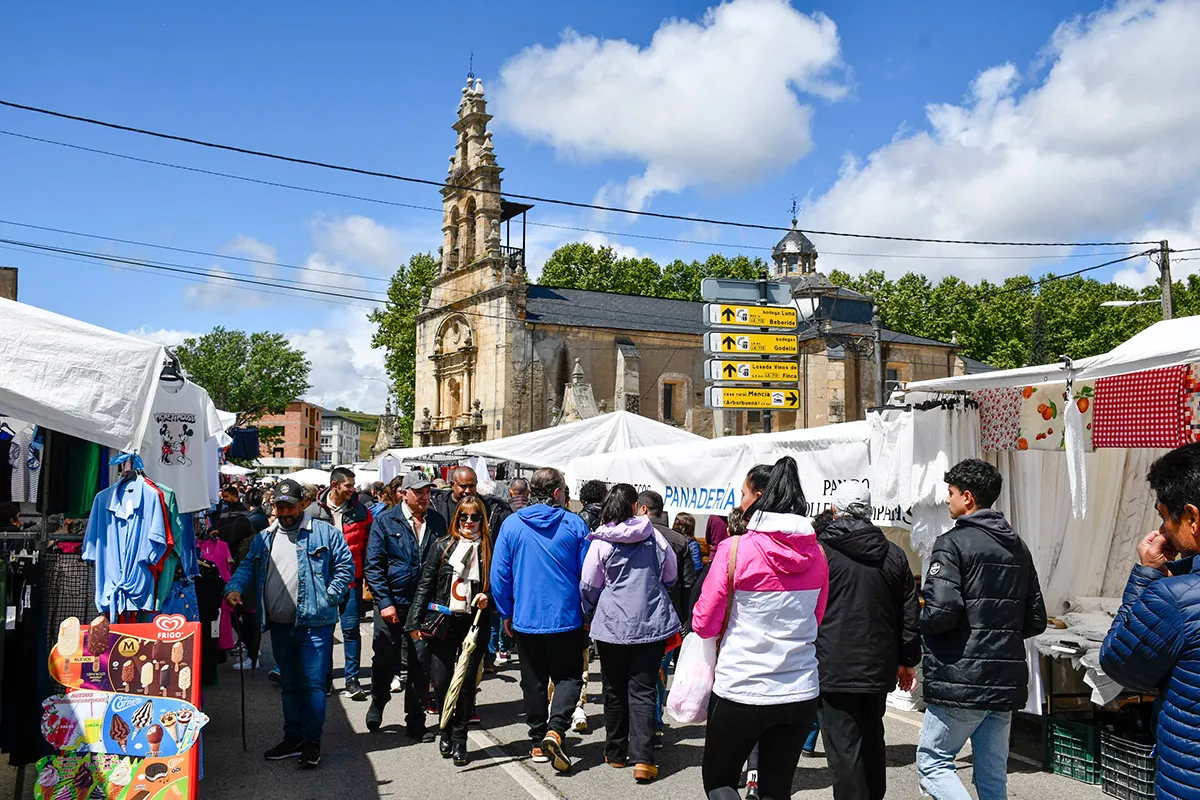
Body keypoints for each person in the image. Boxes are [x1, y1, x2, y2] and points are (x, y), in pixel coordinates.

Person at [692, 458, 828, 800]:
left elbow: (704, 621)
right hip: (799, 690)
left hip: (742, 687)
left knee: (720, 781)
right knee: (776, 788)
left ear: (758, 497)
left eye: (743, 493)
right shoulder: (818, 554)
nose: (739, 501)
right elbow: (818, 617)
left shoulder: (735, 548)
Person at [918, 459, 1047, 800]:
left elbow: (941, 612)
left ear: (968, 498)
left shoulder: (951, 544)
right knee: (991, 778)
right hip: (1003, 680)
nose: (947, 500)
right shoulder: (1018, 546)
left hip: (961, 676)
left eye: (950, 493)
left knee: (933, 765)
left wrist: (921, 622)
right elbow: (1036, 619)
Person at [223, 478, 353, 769]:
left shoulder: (326, 533)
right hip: (280, 625)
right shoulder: (265, 537)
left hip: (315, 624)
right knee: (290, 685)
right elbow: (247, 567)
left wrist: (328, 597)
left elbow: (345, 568)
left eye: (289, 506)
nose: (284, 512)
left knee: (312, 685)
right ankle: (292, 738)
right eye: (279, 506)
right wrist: (233, 587)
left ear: (303, 504)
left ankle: (311, 742)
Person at [1100, 444, 1200, 800]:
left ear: (1192, 518)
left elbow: (1119, 661)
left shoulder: (1176, 599)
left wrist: (1146, 575)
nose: (1163, 529)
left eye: (1165, 516)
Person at [815, 481, 920, 800]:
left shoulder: (819, 553)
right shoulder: (894, 555)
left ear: (835, 511)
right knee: (873, 737)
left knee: (844, 749)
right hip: (878, 665)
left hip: (832, 665)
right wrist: (907, 660)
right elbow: (909, 614)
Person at [490, 467, 590, 773]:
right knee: (569, 677)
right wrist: (588, 612)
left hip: (526, 617)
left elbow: (499, 576)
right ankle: (555, 729)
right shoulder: (574, 524)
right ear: (558, 493)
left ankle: (537, 740)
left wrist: (506, 611)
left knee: (533, 681)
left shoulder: (511, 525)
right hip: (567, 617)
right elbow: (588, 577)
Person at [582, 484, 681, 783]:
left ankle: (615, 752)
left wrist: (589, 611)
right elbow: (671, 574)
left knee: (613, 688)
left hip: (612, 625)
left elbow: (589, 583)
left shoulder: (601, 540)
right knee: (643, 690)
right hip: (649, 623)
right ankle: (643, 759)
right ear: (636, 506)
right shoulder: (655, 537)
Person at [407, 495, 494, 766]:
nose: (469, 522)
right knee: (443, 682)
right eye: (463, 517)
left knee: (466, 685)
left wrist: (488, 597)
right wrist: (413, 621)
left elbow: (502, 583)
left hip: (475, 623)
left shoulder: (489, 549)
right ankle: (445, 727)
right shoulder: (442, 546)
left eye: (475, 517)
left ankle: (460, 738)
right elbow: (425, 584)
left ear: (483, 520)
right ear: (456, 519)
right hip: (444, 622)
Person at [364, 471, 448, 741]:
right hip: (393, 604)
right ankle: (378, 699)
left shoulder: (436, 521)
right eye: (420, 492)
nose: (426, 497)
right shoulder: (385, 521)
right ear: (404, 493)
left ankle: (416, 719)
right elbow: (373, 567)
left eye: (428, 492)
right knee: (385, 658)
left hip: (422, 606)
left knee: (420, 663)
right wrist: (385, 603)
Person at [311, 467, 373, 701]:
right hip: (322, 582)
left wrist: (368, 576)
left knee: (350, 630)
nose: (352, 489)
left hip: (351, 581)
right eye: (348, 485)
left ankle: (352, 680)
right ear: (335, 485)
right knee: (324, 631)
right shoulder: (314, 511)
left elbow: (368, 544)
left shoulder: (361, 510)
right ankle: (325, 679)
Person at [433, 466, 512, 542]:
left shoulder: (491, 507)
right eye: (463, 486)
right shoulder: (437, 504)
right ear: (452, 485)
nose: (467, 490)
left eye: (471, 486)